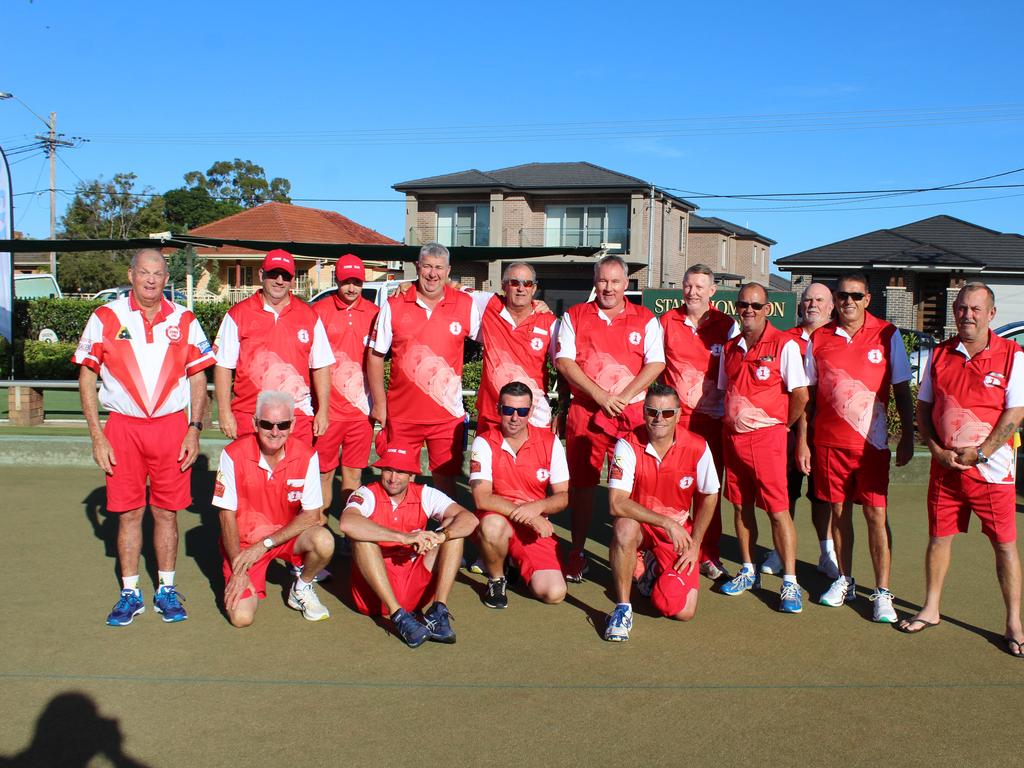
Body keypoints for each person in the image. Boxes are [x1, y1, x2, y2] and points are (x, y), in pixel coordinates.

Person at [73, 248, 215, 626]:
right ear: (131, 274)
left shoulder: (184, 318)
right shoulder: (106, 316)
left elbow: (199, 377)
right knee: (129, 513)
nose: (151, 279)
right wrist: (97, 436)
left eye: (158, 273)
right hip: (123, 427)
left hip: (171, 427)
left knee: (166, 512)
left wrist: (194, 428)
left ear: (166, 279)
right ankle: (130, 593)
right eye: (144, 272)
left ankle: (166, 590)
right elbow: (87, 376)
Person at [898, 282, 1024, 657]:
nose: (966, 315)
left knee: (1005, 547)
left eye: (975, 309)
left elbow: (1015, 413)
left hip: (993, 473)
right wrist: (936, 449)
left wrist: (982, 453)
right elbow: (923, 408)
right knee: (938, 540)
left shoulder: (1013, 355)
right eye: (961, 308)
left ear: (991, 315)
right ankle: (931, 608)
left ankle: (1014, 622)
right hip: (946, 469)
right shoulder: (940, 354)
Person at [799, 272, 914, 622]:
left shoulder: (887, 334)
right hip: (828, 445)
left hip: (871, 448)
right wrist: (803, 441)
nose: (848, 301)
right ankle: (845, 580)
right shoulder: (818, 338)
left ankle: (882, 592)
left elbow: (901, 391)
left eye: (855, 296)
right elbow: (808, 398)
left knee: (875, 516)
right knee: (838, 514)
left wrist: (907, 435)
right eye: (842, 296)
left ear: (867, 299)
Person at [555, 254, 665, 581]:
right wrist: (600, 396)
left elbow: (656, 363)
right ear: (595, 281)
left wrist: (625, 397)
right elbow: (564, 362)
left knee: (635, 488)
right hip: (586, 414)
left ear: (626, 284)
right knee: (582, 487)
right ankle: (577, 551)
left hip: (631, 415)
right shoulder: (574, 315)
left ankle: (638, 552)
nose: (609, 287)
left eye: (615, 281)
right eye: (603, 280)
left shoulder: (645, 318)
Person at [717, 282, 810, 613]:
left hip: (768, 439)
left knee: (777, 510)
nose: (749, 311)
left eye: (756, 305)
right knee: (740, 507)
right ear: (736, 307)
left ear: (767, 309)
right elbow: (724, 391)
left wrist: (783, 426)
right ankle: (748, 569)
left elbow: (800, 395)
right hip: (733, 439)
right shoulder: (730, 348)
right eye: (743, 305)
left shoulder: (784, 344)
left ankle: (790, 581)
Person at [603, 384, 720, 641]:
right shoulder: (627, 444)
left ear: (678, 415)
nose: (659, 419)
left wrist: (695, 545)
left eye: (667, 413)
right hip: (644, 526)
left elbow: (710, 494)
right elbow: (616, 503)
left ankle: (651, 571)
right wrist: (666, 522)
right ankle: (623, 608)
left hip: (677, 532)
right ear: (643, 413)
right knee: (623, 528)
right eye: (652, 411)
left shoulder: (698, 446)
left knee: (681, 611)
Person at [366, 242, 481, 498]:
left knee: (446, 485)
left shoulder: (465, 304)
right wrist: (379, 404)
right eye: (427, 266)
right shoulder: (394, 305)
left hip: (446, 417)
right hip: (402, 416)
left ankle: (445, 536)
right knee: (396, 484)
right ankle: (399, 535)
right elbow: (375, 357)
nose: (432, 273)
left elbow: (497, 327)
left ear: (448, 271)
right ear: (417, 267)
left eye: (439, 268)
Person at [212, 390, 335, 627]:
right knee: (241, 618)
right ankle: (242, 576)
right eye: (267, 424)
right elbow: (225, 516)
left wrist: (265, 544)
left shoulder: (308, 456)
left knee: (324, 540)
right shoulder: (232, 455)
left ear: (293, 424)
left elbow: (311, 515)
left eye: (283, 424)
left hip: (283, 538)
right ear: (255, 423)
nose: (275, 432)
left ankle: (302, 587)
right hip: (245, 546)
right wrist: (239, 569)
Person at [340, 443, 479, 647]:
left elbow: (469, 519)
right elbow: (347, 522)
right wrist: (403, 537)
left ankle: (438, 611)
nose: (393, 478)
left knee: (454, 531)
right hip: (376, 596)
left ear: (412, 475)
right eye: (388, 470)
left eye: (401, 471)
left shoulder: (425, 494)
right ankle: (399, 616)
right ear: (381, 470)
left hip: (415, 585)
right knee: (361, 539)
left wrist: (441, 536)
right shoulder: (366, 493)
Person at [658, 263, 737, 580]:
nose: (693, 292)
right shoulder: (666, 321)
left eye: (700, 287)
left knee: (708, 491)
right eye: (688, 286)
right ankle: (664, 551)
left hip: (712, 423)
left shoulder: (727, 325)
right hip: (674, 424)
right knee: (669, 490)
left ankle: (707, 554)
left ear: (712, 291)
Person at [213, 249, 334, 445]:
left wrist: (323, 411)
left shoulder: (309, 315)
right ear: (262, 275)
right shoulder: (238, 314)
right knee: (251, 475)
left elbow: (321, 366)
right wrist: (225, 412)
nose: (279, 280)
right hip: (250, 415)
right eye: (273, 274)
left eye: (285, 276)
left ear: (292, 280)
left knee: (294, 475)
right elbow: (223, 366)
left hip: (297, 416)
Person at [760, 282, 839, 580]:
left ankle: (826, 553)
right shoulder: (784, 338)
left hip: (826, 434)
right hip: (788, 433)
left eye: (819, 300)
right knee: (785, 495)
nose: (812, 305)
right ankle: (781, 551)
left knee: (822, 497)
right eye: (807, 300)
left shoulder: (835, 338)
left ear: (830, 306)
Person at [469, 382, 570, 608]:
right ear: (498, 409)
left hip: (532, 524)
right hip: (499, 518)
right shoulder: (483, 441)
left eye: (522, 411)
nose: (515, 417)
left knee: (555, 593)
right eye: (508, 410)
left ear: (531, 412)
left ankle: (513, 561)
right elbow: (482, 498)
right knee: (492, 525)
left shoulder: (550, 441)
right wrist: (529, 515)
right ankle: (496, 578)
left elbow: (563, 496)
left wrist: (536, 510)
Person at [312, 253, 378, 513]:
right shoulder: (319, 311)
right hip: (327, 411)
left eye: (357, 282)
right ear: (337, 280)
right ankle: (317, 529)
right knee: (323, 474)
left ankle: (349, 537)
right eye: (346, 282)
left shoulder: (375, 313)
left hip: (361, 413)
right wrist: (320, 409)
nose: (352, 288)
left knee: (352, 477)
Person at [472, 262, 559, 437]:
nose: (521, 288)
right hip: (492, 416)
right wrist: (408, 285)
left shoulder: (549, 322)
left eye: (527, 284)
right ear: (504, 286)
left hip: (534, 418)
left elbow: (565, 368)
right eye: (514, 283)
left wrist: (562, 410)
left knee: (533, 465)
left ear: (534, 288)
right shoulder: (489, 304)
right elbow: (447, 286)